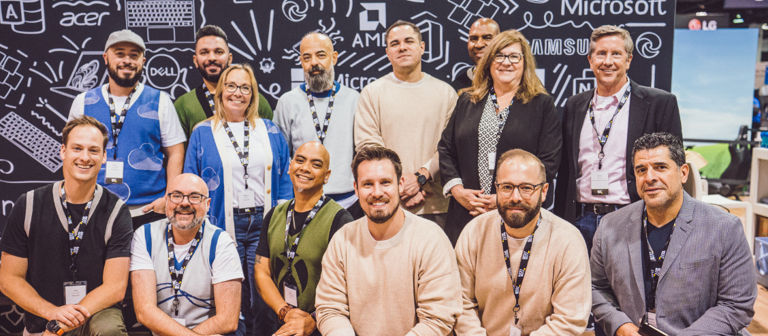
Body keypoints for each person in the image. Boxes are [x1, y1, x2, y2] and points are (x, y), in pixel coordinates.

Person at [591, 133, 757, 336]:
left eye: (660, 167)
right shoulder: (610, 226)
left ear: (683, 173)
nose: (650, 177)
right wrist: (619, 325)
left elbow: (737, 304)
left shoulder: (724, 227)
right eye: (641, 170)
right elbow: (595, 288)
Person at [184, 63, 292, 336]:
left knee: (263, 296)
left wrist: (284, 223)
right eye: (231, 86)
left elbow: (285, 180)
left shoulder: (270, 131)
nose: (237, 93)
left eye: (245, 87)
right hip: (222, 222)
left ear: (253, 94)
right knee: (232, 297)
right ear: (220, 92)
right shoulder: (202, 132)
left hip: (264, 222)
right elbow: (190, 182)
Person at [554, 25, 682, 255]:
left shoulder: (659, 103)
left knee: (630, 291)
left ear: (629, 60)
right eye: (601, 54)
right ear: (590, 60)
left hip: (632, 218)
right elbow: (566, 169)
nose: (608, 61)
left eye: (616, 54)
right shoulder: (575, 104)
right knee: (579, 290)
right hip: (580, 219)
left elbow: (671, 167)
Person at [0, 116, 133, 336]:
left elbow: (115, 287)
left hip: (96, 315)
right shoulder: (28, 204)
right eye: (77, 148)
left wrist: (59, 326)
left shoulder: (117, 211)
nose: (85, 157)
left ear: (104, 157)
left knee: (109, 330)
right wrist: (53, 314)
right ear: (63, 151)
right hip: (43, 319)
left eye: (93, 150)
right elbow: (9, 279)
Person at [314, 146, 461, 336]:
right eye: (367, 184)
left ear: (400, 185)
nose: (377, 192)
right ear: (356, 189)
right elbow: (330, 308)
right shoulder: (342, 239)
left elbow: (438, 317)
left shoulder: (431, 239)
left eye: (385, 182)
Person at [439, 29, 561, 246]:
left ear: (525, 63)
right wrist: (457, 191)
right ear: (489, 61)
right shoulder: (467, 100)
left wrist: (505, 198)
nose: (507, 62)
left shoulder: (541, 104)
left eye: (514, 56)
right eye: (499, 56)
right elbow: (446, 149)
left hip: (517, 213)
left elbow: (548, 161)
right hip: (466, 212)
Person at [454, 149, 590, 335]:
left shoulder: (568, 241)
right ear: (497, 188)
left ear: (543, 192)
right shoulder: (474, 233)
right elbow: (460, 303)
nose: (515, 197)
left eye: (526, 188)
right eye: (507, 187)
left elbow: (569, 320)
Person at [68, 29, 187, 228]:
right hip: (95, 209)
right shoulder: (83, 102)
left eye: (134, 55)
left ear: (143, 61)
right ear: (106, 58)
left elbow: (175, 152)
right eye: (120, 53)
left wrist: (168, 198)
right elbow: (70, 153)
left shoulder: (160, 101)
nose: (127, 60)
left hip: (149, 211)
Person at [355, 20, 458, 228]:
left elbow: (450, 146)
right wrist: (400, 184)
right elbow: (368, 146)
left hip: (436, 206)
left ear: (422, 47)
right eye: (395, 43)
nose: (402, 47)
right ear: (387, 52)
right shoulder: (372, 93)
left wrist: (420, 178)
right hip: (387, 204)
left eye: (408, 41)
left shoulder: (446, 93)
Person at [254, 142, 354, 336]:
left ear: (327, 176)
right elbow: (261, 271)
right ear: (290, 167)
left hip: (324, 328)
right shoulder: (274, 215)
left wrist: (315, 319)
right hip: (281, 324)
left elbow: (350, 283)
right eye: (300, 160)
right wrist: (286, 312)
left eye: (316, 164)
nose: (305, 168)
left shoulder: (340, 220)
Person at [130, 174, 243, 336]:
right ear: (167, 200)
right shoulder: (145, 235)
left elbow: (228, 320)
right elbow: (144, 311)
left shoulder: (221, 243)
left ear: (207, 204)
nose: (184, 203)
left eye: (194, 197)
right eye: (176, 196)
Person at [274, 32, 360, 212]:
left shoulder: (355, 99)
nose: (314, 62)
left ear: (334, 58)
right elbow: (281, 159)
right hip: (303, 202)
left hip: (348, 203)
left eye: (321, 55)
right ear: (301, 62)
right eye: (307, 57)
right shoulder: (287, 102)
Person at [175, 25, 273, 143]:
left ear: (230, 58)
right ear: (195, 60)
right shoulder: (183, 105)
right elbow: (181, 156)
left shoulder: (254, 100)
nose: (212, 58)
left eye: (219, 52)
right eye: (204, 52)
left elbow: (271, 144)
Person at [451, 18, 500, 92]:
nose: (479, 45)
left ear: (500, 42)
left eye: (487, 38)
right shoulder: (457, 88)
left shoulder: (514, 82)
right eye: (474, 39)